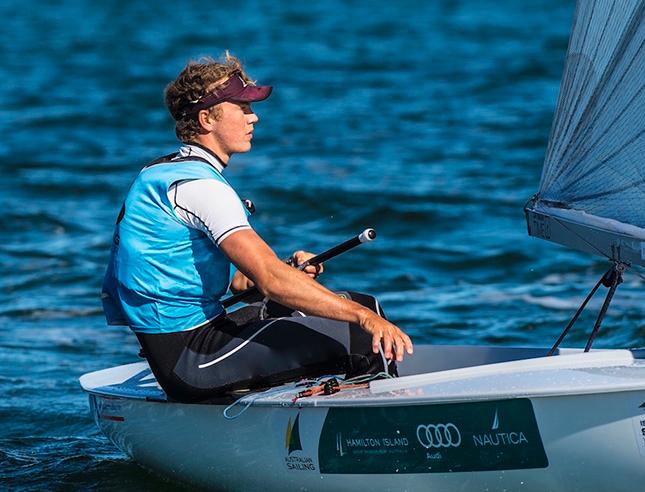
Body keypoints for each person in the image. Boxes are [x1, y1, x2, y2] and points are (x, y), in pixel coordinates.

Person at [101, 52, 413, 403]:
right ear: (207, 119)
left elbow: (240, 279)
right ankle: (374, 440)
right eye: (243, 108)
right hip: (191, 358)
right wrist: (361, 318)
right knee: (359, 328)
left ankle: (343, 396)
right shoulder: (202, 188)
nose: (255, 117)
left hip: (192, 341)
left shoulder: (166, 171)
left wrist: (288, 271)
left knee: (357, 304)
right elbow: (270, 281)